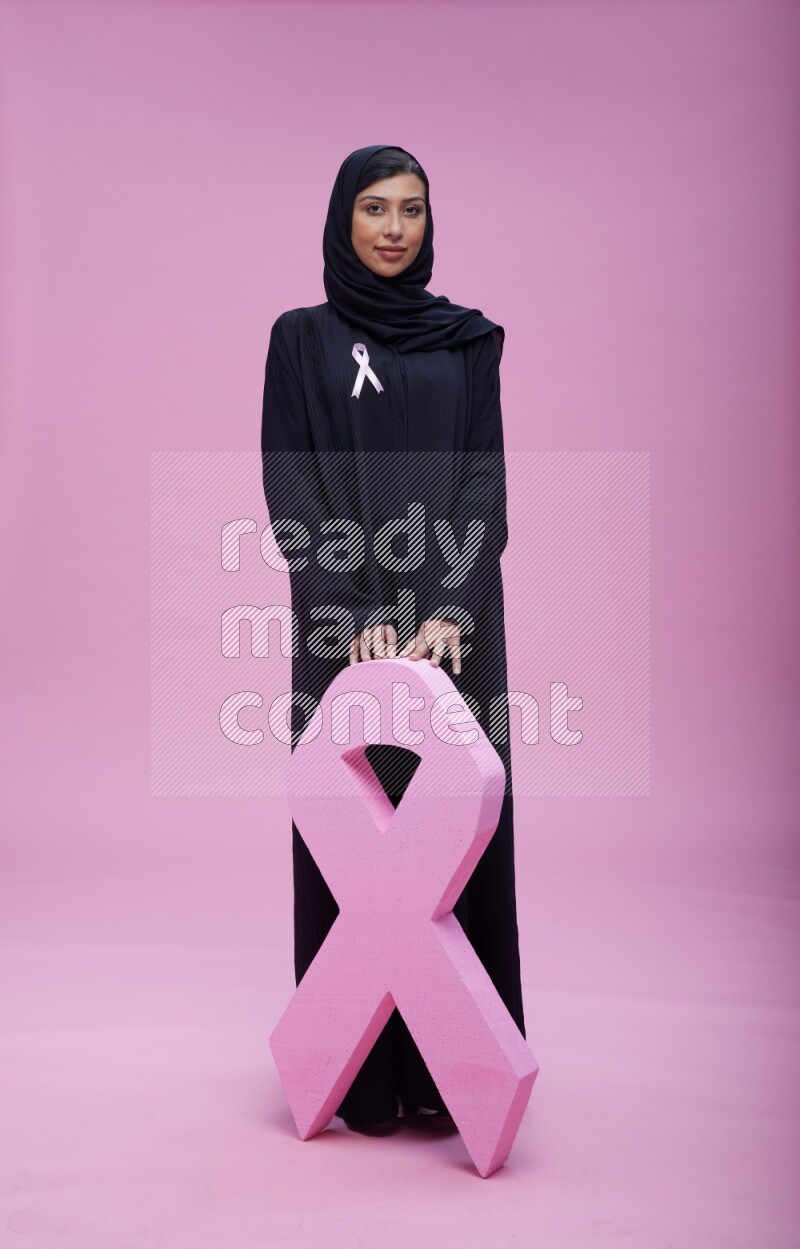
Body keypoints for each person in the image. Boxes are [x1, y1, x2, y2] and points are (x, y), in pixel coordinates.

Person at [261, 144, 526, 1135]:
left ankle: (456, 1077)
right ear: (343, 217)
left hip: (459, 629)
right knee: (360, 844)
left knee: (458, 838)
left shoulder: (463, 340)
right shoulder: (301, 340)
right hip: (347, 631)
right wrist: (359, 614)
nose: (390, 227)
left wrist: (448, 609)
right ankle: (365, 1081)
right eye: (372, 207)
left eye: (410, 209)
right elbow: (293, 487)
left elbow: (482, 483)